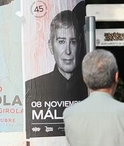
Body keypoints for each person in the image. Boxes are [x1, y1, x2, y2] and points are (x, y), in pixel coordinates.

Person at [24, 8, 87, 137]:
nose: (68, 51)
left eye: (73, 42)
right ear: (51, 46)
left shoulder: (89, 89)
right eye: (61, 42)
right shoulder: (30, 87)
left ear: (80, 45)